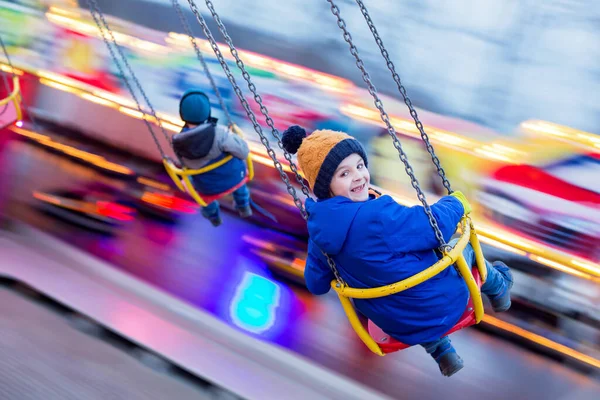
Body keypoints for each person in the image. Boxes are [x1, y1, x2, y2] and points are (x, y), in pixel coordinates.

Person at [281, 125, 513, 377]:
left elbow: (316, 284)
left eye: (360, 166)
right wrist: (455, 202)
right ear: (326, 186)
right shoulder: (378, 215)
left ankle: (442, 352)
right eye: (344, 173)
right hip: (444, 303)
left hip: (396, 325)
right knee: (463, 251)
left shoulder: (319, 234)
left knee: (399, 284)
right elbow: (432, 226)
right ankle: (499, 286)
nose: (358, 176)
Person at [172, 89, 251, 227]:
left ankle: (214, 217)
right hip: (234, 178)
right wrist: (235, 137)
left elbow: (186, 165)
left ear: (182, 114)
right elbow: (243, 152)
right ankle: (243, 205)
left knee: (197, 190)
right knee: (238, 178)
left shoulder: (178, 143)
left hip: (207, 188)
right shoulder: (219, 133)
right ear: (207, 112)